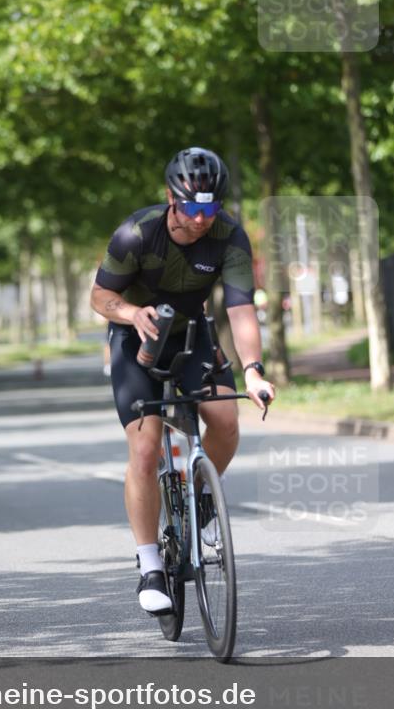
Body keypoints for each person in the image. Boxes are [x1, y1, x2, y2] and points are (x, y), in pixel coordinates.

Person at [90, 148, 275, 615]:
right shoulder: (136, 234)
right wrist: (132, 313)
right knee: (147, 448)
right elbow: (100, 295)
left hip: (194, 336)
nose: (200, 219)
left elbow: (240, 310)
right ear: (172, 200)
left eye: (210, 209)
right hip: (137, 340)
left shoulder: (229, 236)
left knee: (226, 421)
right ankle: (150, 563)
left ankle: (201, 503)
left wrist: (252, 370)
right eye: (192, 208)